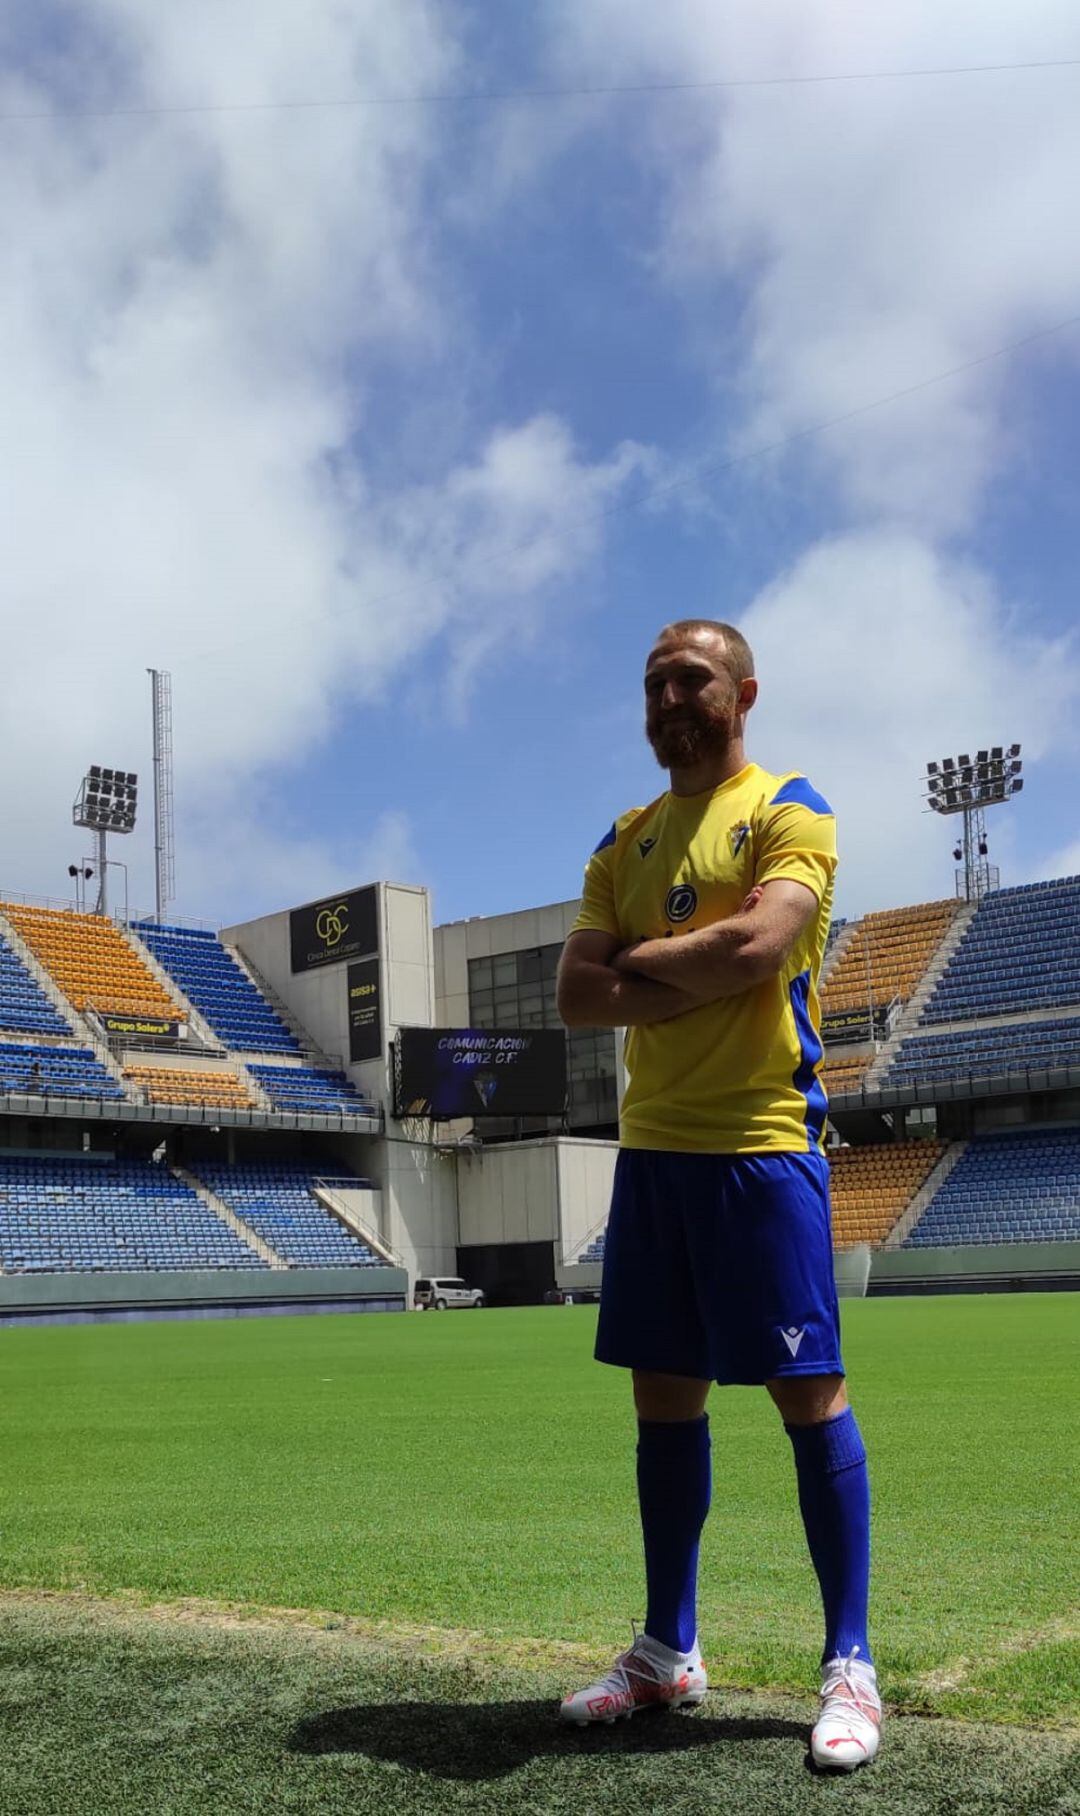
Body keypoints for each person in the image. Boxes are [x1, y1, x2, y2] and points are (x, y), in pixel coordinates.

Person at [555, 619, 880, 1771]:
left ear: (743, 690)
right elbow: (574, 998)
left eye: (688, 677)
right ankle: (666, 1649)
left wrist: (643, 966)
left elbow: (762, 948)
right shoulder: (624, 839)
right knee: (663, 1406)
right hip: (653, 1156)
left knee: (808, 1396)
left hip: (761, 1145)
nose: (668, 696)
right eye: (652, 682)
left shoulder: (792, 805)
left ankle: (850, 1663)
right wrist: (690, 962)